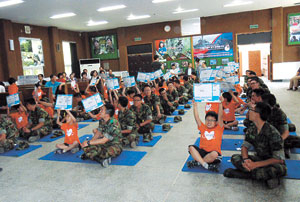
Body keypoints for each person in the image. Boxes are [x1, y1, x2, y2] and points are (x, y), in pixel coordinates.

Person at [224, 102, 287, 189]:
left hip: (273, 163)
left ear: (258, 114)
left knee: (274, 171)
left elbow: (279, 160)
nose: (249, 112)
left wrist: (255, 165)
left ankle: (244, 174)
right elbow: (245, 146)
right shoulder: (252, 128)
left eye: (251, 110)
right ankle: (263, 177)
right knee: (235, 158)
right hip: (259, 159)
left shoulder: (273, 133)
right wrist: (246, 160)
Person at [187, 99, 224, 172]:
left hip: (213, 156)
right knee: (191, 148)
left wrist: (220, 104)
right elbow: (197, 117)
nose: (209, 122)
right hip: (202, 153)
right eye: (207, 120)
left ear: (216, 122)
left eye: (212, 120)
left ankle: (199, 162)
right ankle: (205, 165)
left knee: (214, 154)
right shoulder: (203, 127)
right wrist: (195, 106)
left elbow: (220, 116)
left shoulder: (219, 128)